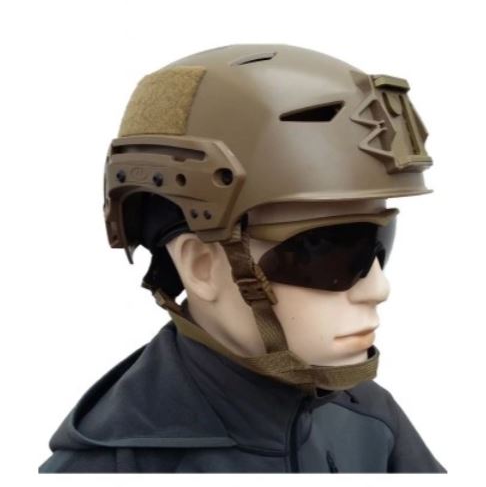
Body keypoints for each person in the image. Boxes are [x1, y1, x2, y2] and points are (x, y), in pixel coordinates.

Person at [38, 44, 446, 473]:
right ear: (201, 267)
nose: (378, 288)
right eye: (329, 250)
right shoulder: (111, 469)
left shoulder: (366, 415)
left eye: (379, 240)